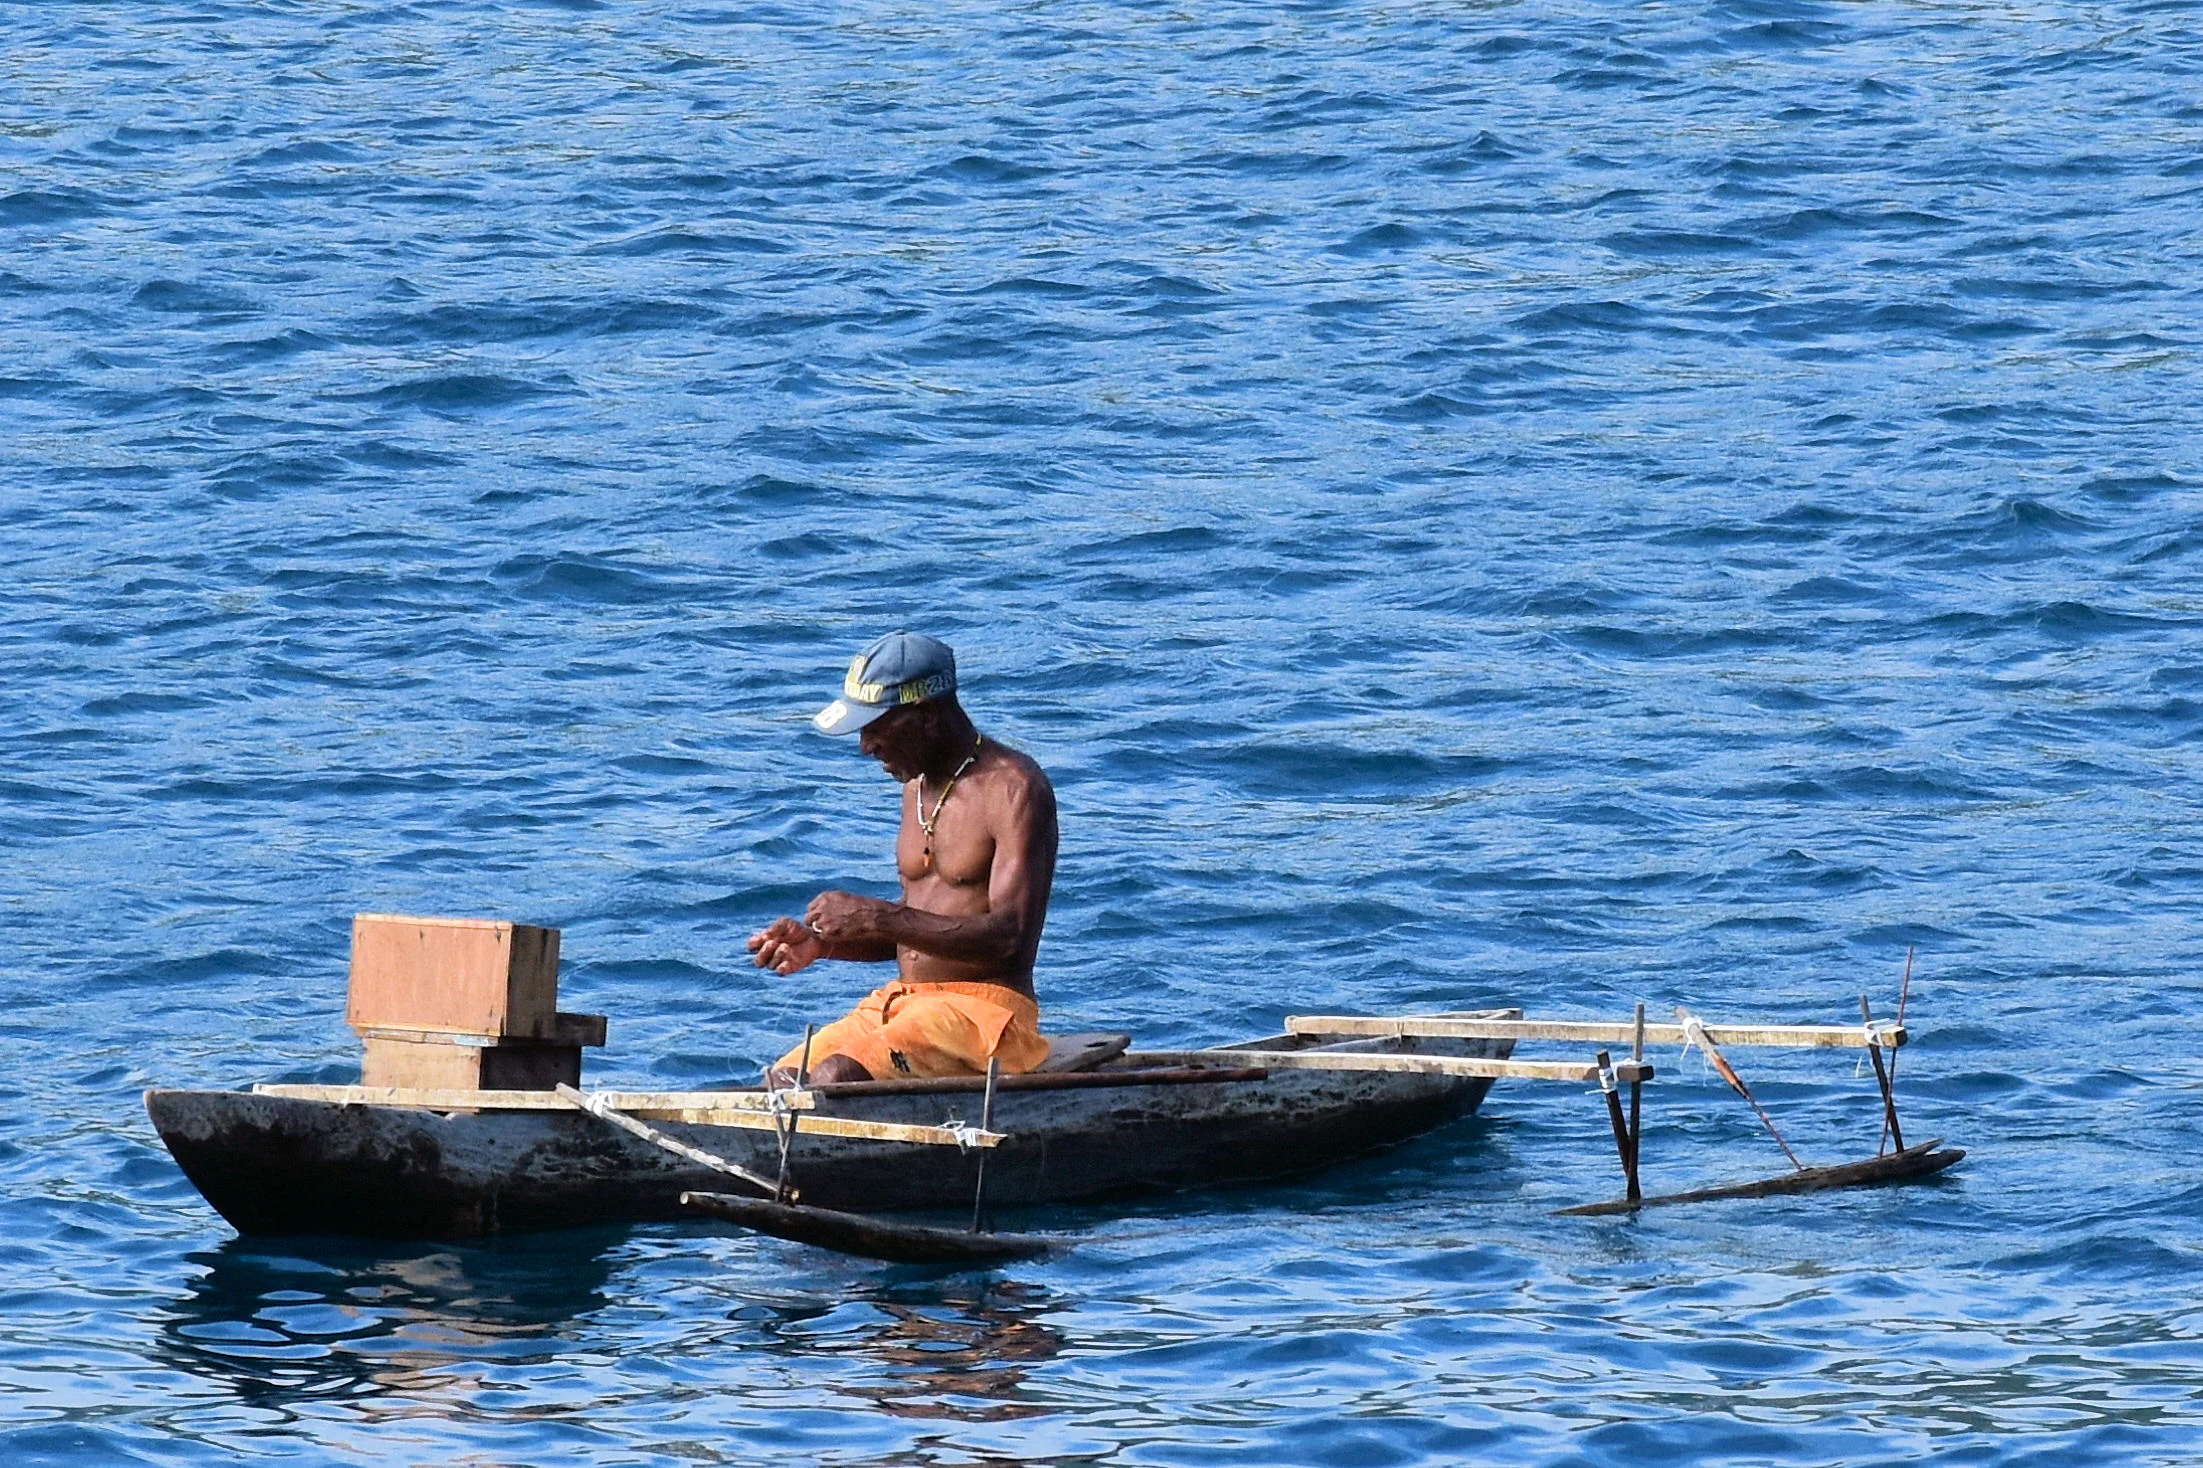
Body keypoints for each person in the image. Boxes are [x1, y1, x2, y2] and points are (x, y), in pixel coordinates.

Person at [748, 632, 1058, 1086]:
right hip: (905, 1002)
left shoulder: (1014, 788)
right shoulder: (915, 788)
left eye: (875, 728)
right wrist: (824, 943)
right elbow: (923, 929)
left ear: (926, 715)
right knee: (783, 1080)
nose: (865, 747)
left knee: (836, 1077)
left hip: (988, 1017)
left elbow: (1008, 937)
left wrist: (876, 915)